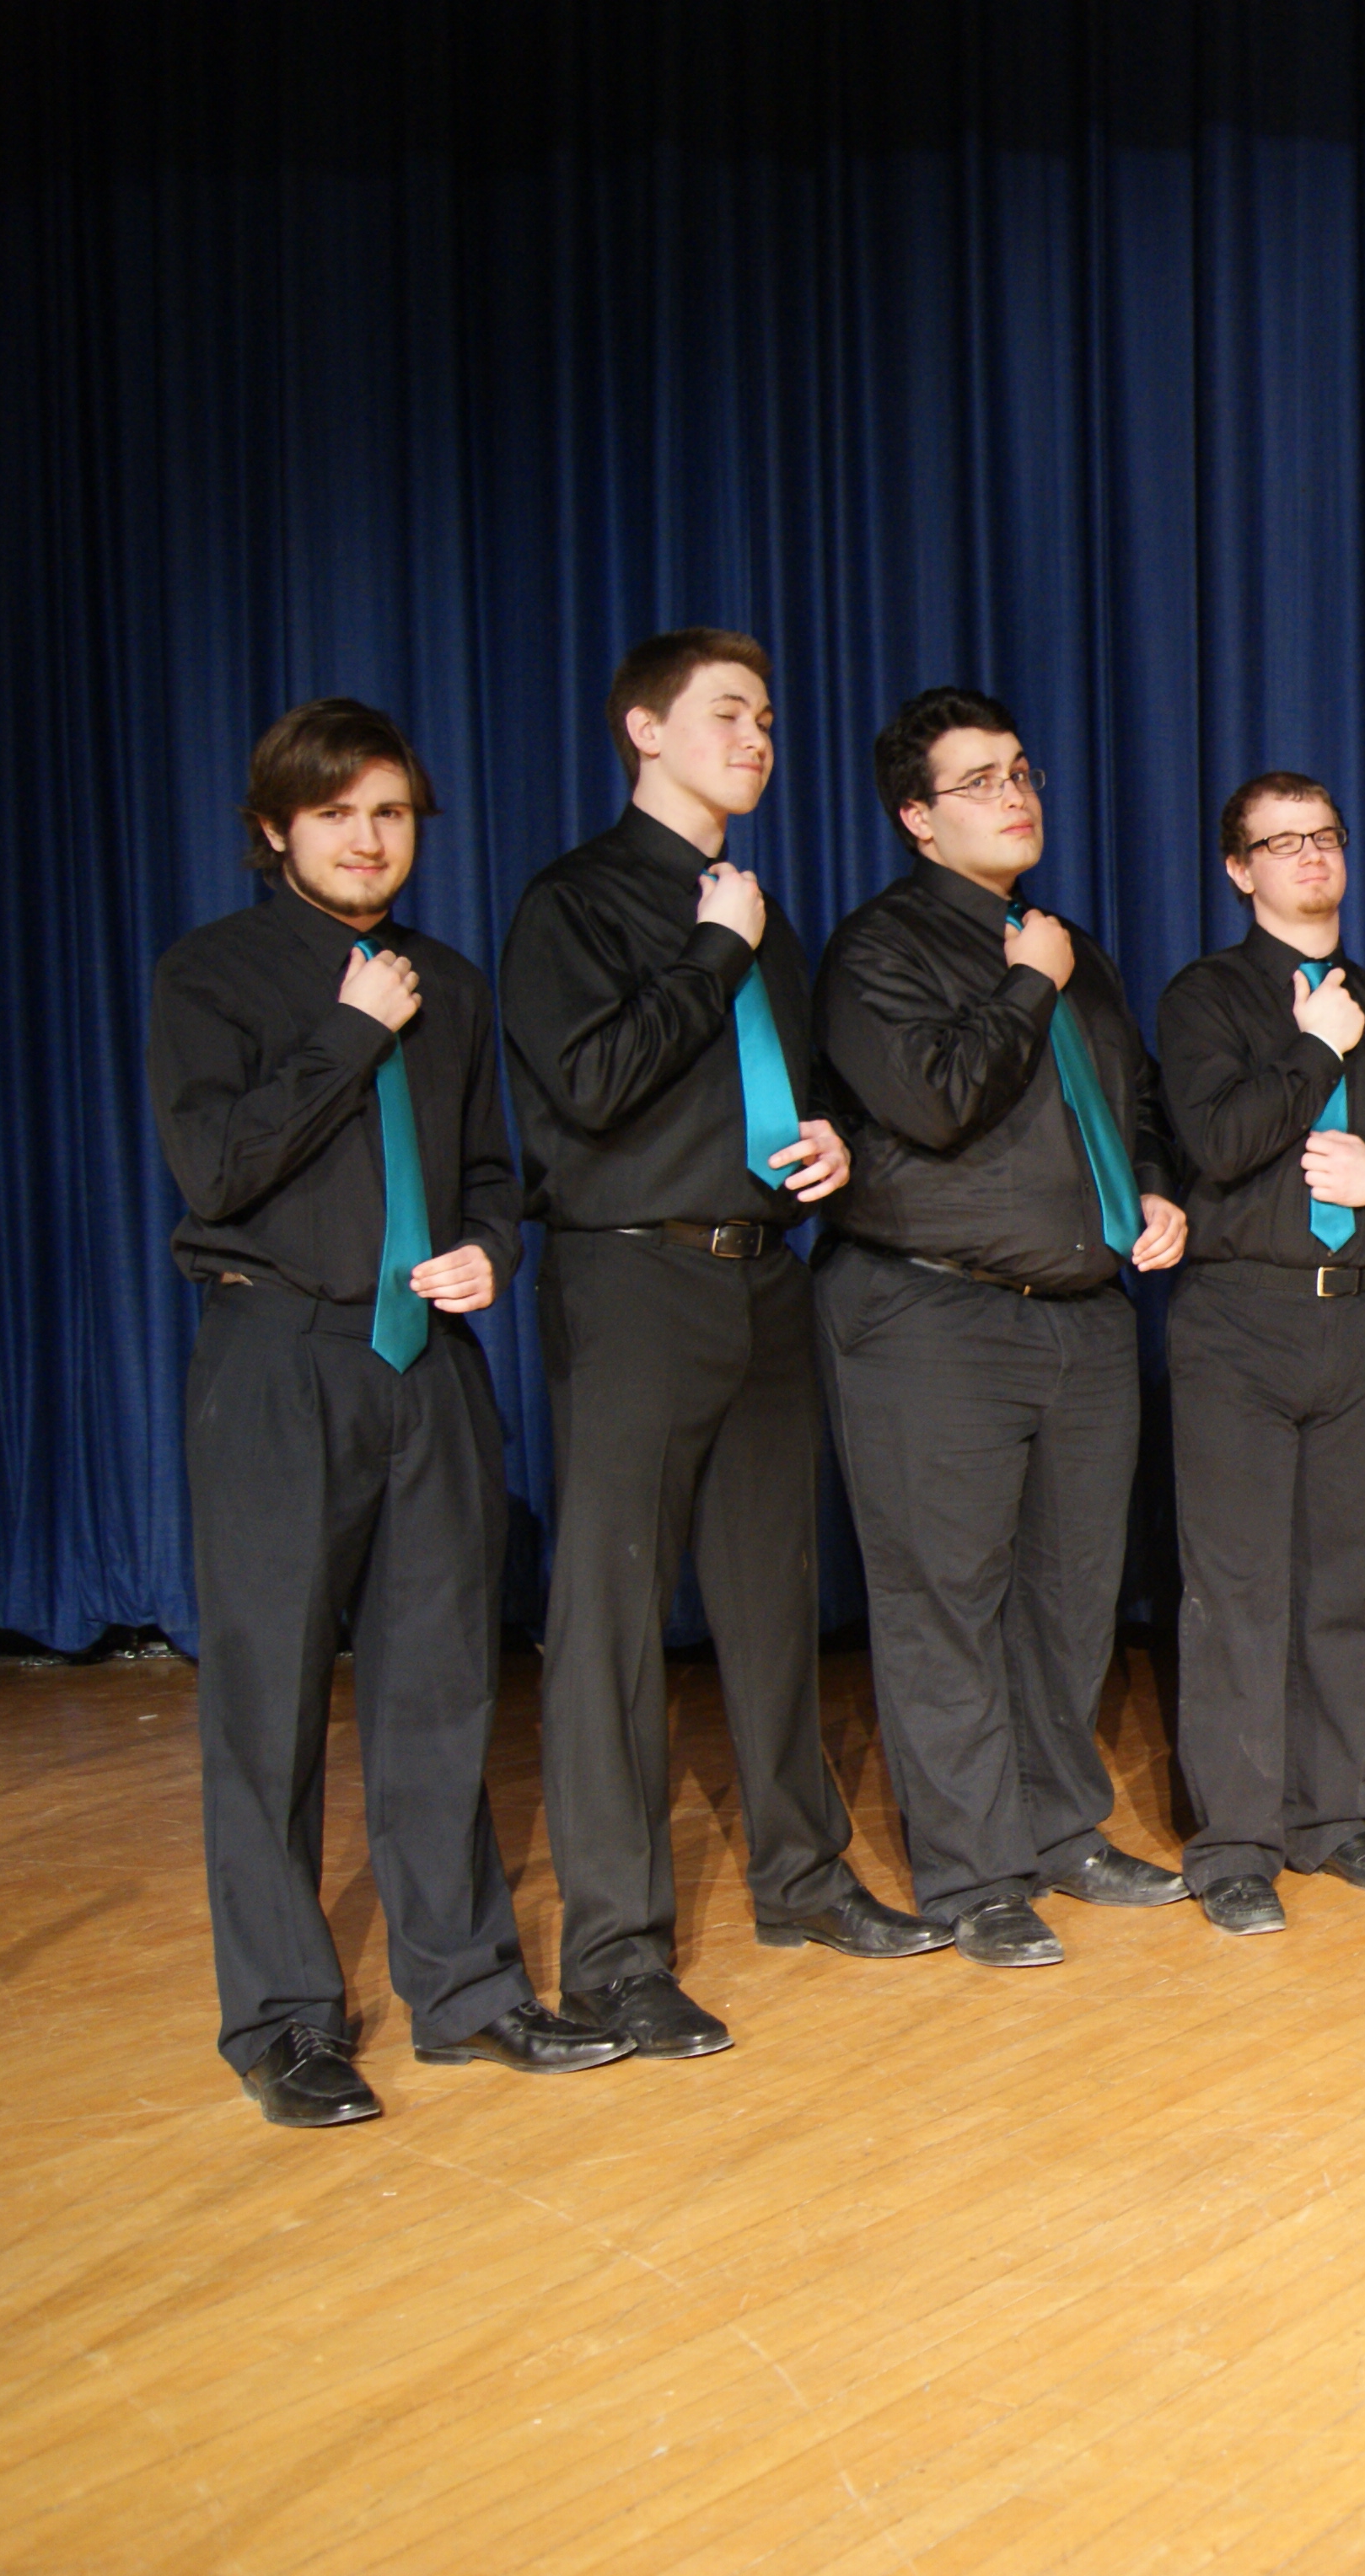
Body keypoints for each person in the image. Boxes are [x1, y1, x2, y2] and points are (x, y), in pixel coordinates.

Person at [149, 700, 630, 2124]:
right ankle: (284, 2021)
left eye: (391, 813)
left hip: (428, 1366)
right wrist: (349, 1034)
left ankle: (467, 1990)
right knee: (269, 1703)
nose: (368, 840)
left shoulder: (450, 982)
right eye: (336, 814)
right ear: (274, 830)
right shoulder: (213, 975)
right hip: (278, 1359)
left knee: (439, 1688)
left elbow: (487, 1172)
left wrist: (492, 1248)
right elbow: (217, 1168)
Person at [501, 629, 941, 2064]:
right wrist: (716, 947)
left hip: (760, 1278)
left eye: (766, 718)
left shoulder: (752, 909)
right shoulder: (580, 901)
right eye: (727, 714)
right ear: (645, 729)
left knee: (772, 1599)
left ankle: (802, 1876)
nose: (757, 739)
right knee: (615, 1621)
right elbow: (594, 1087)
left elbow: (776, 1090)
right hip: (633, 1279)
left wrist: (826, 1144)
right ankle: (615, 1958)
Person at [809, 687, 1192, 1968]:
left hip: (1082, 1319)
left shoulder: (1069, 943)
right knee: (946, 1603)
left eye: (1020, 770)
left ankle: (1062, 1829)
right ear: (917, 819)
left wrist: (1154, 1187)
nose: (1015, 795)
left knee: (1072, 1598)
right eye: (978, 781)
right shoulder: (881, 950)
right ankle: (975, 1874)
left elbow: (1131, 1104)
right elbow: (936, 1101)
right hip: (933, 1315)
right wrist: (1028, 984)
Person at [1156, 773, 1365, 1935]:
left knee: (1338, 1589)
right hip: (1243, 1317)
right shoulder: (1208, 998)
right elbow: (1220, 1142)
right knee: (1236, 1589)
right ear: (1240, 870)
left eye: (1324, 836)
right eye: (1281, 843)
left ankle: (1332, 1815)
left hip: (1363, 1316)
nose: (1311, 857)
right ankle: (1236, 1843)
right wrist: (1316, 1051)